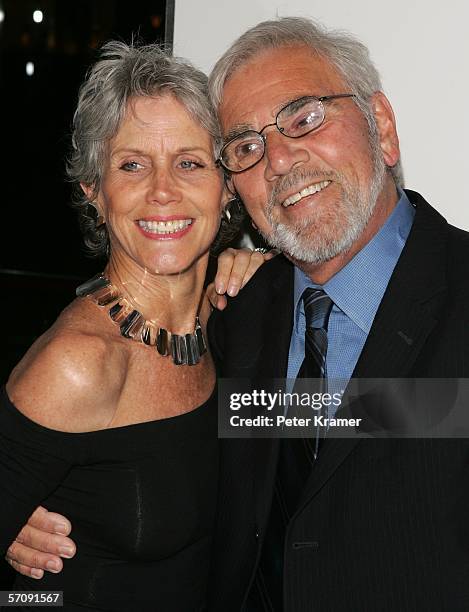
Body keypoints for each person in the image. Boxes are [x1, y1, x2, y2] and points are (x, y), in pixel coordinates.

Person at [9, 16, 469, 612]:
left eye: (305, 116)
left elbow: (395, 416)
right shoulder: (245, 320)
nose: (278, 160)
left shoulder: (227, 315)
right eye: (248, 145)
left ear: (381, 125)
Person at [0, 40, 264, 611]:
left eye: (190, 163)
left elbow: (379, 421)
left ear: (228, 189)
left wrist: (279, 271)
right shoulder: (78, 364)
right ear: (95, 193)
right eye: (132, 164)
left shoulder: (233, 319)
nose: (162, 191)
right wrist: (33, 598)